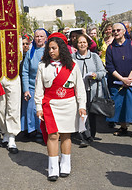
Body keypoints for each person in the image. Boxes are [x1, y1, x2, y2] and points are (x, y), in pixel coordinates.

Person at [34, 32, 86, 181]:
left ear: (61, 49)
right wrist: (38, 107)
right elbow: (39, 89)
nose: (51, 51)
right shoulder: (42, 66)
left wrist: (82, 106)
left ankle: (65, 165)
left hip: (69, 105)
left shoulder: (73, 66)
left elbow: (79, 88)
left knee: (65, 135)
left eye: (54, 48)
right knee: (52, 136)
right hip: (50, 105)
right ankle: (53, 168)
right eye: (49, 48)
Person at [105, 23, 132, 139]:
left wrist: (129, 78)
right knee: (120, 104)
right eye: (114, 30)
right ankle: (123, 127)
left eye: (118, 30)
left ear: (123, 31)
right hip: (117, 81)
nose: (116, 32)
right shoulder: (110, 48)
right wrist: (122, 79)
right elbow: (110, 66)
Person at [72, 34, 106, 147]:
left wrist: (95, 75)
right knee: (81, 113)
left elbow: (103, 72)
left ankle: (91, 135)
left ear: (88, 44)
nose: (82, 44)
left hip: (93, 90)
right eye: (80, 42)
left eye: (84, 42)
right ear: (76, 44)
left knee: (92, 114)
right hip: (79, 90)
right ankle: (83, 136)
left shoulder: (95, 57)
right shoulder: (73, 57)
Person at [22, 29, 48, 141]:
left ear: (46, 38)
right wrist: (26, 89)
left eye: (41, 36)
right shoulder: (30, 52)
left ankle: (43, 131)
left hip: (46, 87)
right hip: (33, 86)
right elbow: (25, 72)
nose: (39, 38)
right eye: (37, 36)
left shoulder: (49, 51)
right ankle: (32, 130)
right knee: (31, 109)